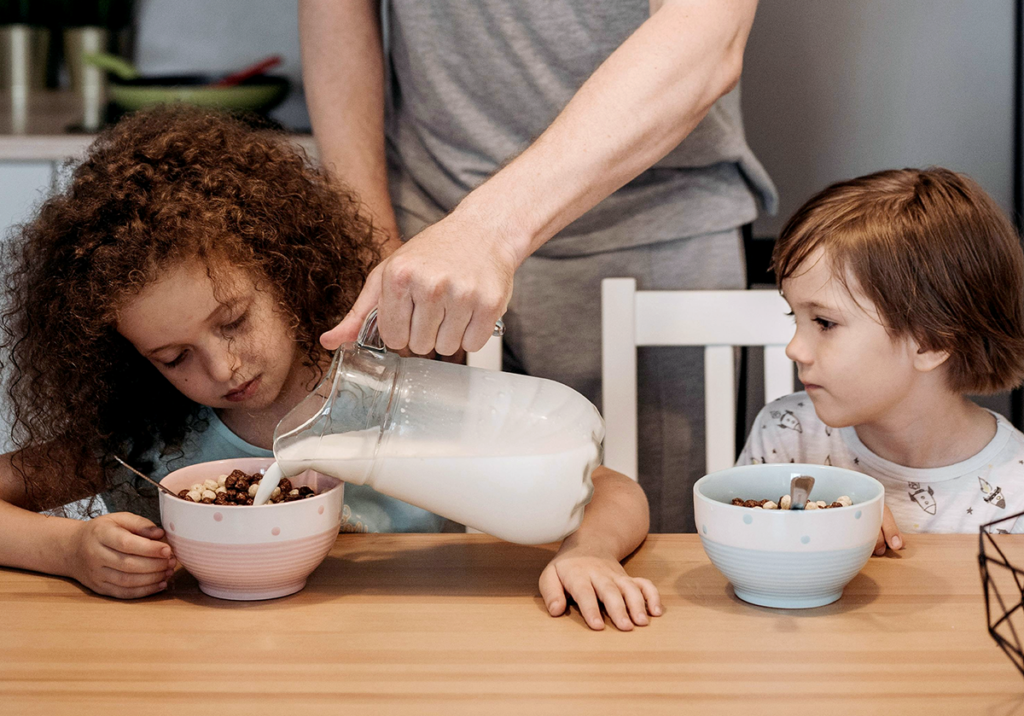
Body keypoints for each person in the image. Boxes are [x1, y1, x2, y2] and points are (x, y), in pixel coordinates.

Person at [0, 106, 661, 630]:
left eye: (232, 320)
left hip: (416, 659)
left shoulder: (391, 387)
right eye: (175, 358)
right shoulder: (145, 433)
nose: (223, 367)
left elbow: (609, 490)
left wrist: (590, 552)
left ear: (285, 272)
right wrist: (68, 551)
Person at [300, 0, 777, 532]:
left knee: (652, 562)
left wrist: (485, 231)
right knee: (429, 571)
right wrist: (375, 244)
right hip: (421, 229)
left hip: (648, 228)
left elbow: (706, 28)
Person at [738, 168, 1024, 553]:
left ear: (930, 341)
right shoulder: (786, 436)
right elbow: (738, 553)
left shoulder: (1016, 489)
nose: (795, 349)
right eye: (795, 317)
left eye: (824, 322)